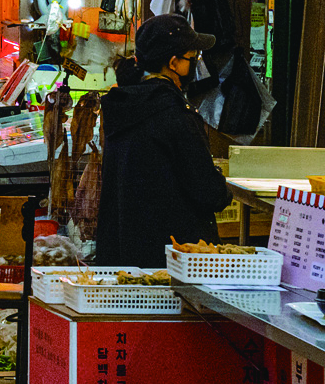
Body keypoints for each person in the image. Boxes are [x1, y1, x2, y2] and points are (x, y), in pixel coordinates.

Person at [94, 14, 230, 268]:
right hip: (173, 262)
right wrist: (222, 186)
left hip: (124, 256)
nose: (195, 64)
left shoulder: (121, 106)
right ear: (174, 63)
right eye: (193, 58)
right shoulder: (175, 113)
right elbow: (207, 190)